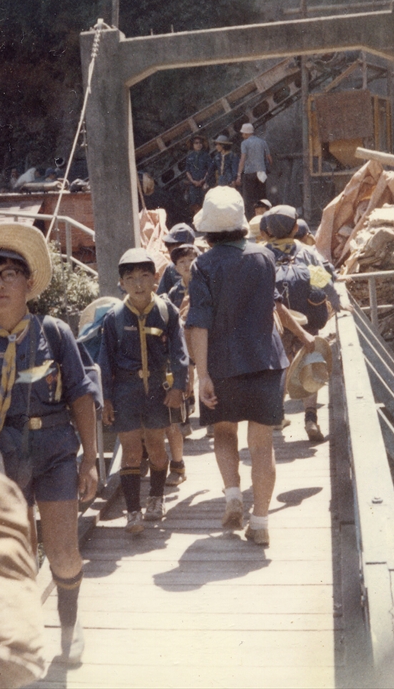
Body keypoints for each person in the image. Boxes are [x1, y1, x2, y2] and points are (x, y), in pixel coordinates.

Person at [0, 223, 98, 666]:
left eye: (8, 273)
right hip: (3, 454)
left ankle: (70, 625)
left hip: (54, 450)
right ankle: (25, 634)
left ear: (28, 282)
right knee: (17, 555)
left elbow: (81, 395)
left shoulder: (54, 333)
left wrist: (90, 459)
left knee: (64, 551)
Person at [186, 187, 314, 547]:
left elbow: (199, 321)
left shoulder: (203, 265)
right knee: (262, 445)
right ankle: (260, 522)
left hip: (223, 364)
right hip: (266, 361)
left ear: (208, 230)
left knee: (225, 433)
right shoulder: (263, 257)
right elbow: (276, 306)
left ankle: (232, 497)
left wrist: (203, 374)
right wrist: (304, 336)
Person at [98, 248, 188, 534]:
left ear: (155, 278)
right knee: (131, 450)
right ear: (121, 283)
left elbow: (180, 352)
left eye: (144, 277)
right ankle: (133, 511)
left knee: (156, 447)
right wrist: (107, 398)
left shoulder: (166, 311)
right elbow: (104, 361)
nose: (138, 284)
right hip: (126, 390)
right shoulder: (113, 318)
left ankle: (157, 498)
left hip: (158, 391)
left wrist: (178, 386)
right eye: (131, 278)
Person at [259, 205, 342, 442]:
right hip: (307, 321)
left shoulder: (262, 254)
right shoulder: (306, 252)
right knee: (310, 363)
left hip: (276, 323)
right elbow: (326, 279)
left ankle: (277, 415)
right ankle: (310, 417)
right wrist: (337, 304)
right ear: (296, 228)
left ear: (266, 231)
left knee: (280, 367)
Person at [165, 243, 199, 485]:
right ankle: (186, 416)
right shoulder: (174, 292)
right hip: (184, 339)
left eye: (190, 260)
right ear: (176, 268)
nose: (187, 265)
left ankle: (200, 411)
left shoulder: (205, 285)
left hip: (203, 337)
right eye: (182, 262)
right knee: (188, 376)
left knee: (200, 374)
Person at [235, 123, 273, 220]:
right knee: (262, 197)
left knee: (249, 199)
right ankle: (264, 218)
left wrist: (239, 174)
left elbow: (243, 159)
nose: (242, 135)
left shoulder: (244, 143)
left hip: (249, 173)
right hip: (262, 173)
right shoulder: (262, 142)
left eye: (243, 133)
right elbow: (269, 158)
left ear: (246, 133)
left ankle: (251, 219)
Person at [156, 222, 197, 296]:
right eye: (169, 246)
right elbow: (161, 294)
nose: (169, 250)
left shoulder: (201, 264)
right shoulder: (171, 268)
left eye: (173, 245)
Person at [184, 136, 210, 215]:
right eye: (196, 143)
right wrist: (192, 181)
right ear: (193, 145)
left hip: (203, 184)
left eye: (200, 143)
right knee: (194, 204)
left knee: (205, 203)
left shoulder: (206, 156)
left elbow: (209, 169)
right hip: (193, 184)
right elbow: (187, 171)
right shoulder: (189, 157)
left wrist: (203, 180)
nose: (198, 145)